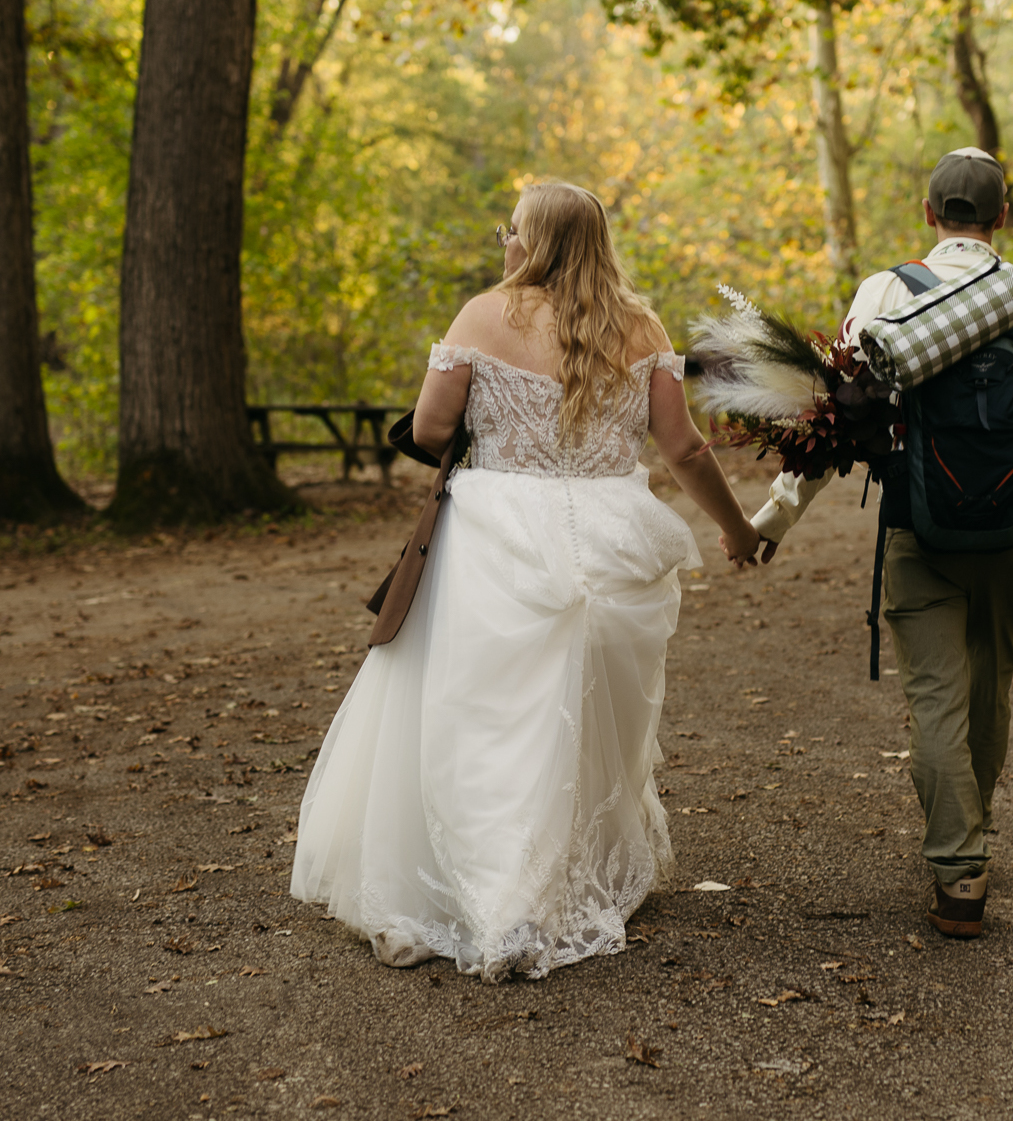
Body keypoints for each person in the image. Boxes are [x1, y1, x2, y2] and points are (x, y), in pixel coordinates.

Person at [289, 182, 763, 981]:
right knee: (586, 723)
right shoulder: (641, 326)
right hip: (612, 539)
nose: (503, 240)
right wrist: (738, 528)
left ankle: (493, 897)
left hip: (500, 534)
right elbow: (684, 449)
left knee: (491, 719)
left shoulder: (485, 315)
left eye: (510, 228)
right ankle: (551, 881)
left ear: (530, 240)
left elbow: (433, 426)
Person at [749, 147, 1013, 939]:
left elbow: (832, 422)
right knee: (990, 694)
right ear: (1001, 218)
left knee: (937, 698)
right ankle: (967, 839)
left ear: (929, 215)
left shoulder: (883, 293)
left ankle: (959, 870)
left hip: (920, 529)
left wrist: (773, 520)